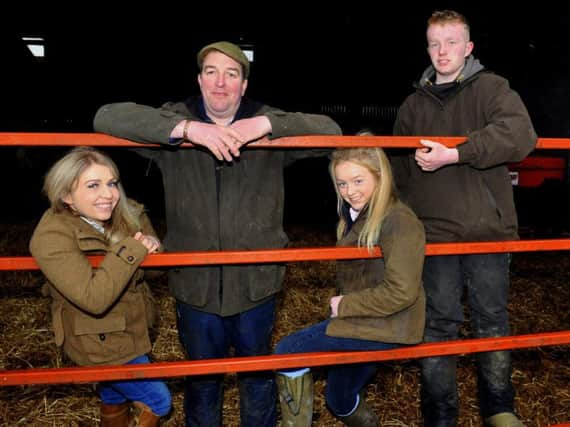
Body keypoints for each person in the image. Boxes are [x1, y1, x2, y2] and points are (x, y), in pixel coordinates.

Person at [93, 41, 341, 426]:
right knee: (202, 378)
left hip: (256, 282)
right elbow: (107, 116)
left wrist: (266, 125)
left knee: (256, 373)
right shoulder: (174, 122)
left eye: (231, 74)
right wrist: (188, 130)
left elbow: (330, 130)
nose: (220, 83)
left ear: (244, 85)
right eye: (211, 72)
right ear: (199, 79)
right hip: (195, 283)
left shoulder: (266, 123)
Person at [391, 10, 536, 427]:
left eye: (452, 42)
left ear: (468, 47)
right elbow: (399, 172)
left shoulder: (491, 89)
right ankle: (439, 415)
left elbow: (520, 134)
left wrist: (457, 152)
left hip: (486, 233)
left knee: (492, 319)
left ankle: (499, 408)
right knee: (438, 325)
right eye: (435, 43)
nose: (442, 51)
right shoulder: (413, 105)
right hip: (433, 234)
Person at [274, 146, 426, 426]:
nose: (349, 191)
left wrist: (344, 304)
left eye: (358, 181)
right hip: (369, 319)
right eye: (342, 183)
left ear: (380, 178)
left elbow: (402, 291)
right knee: (339, 397)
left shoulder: (400, 221)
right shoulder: (359, 216)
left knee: (288, 352)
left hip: (388, 323)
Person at [29, 147, 172, 427]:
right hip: (97, 341)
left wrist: (154, 250)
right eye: (93, 185)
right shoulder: (51, 235)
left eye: (112, 183)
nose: (108, 194)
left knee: (114, 395)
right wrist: (132, 250)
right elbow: (93, 298)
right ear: (66, 195)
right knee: (159, 401)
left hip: (134, 327)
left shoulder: (128, 214)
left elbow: (156, 272)